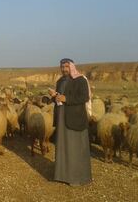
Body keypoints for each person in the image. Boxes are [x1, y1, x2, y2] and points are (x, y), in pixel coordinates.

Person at [48, 58, 92, 186]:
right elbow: (59, 99)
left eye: (66, 67)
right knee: (63, 147)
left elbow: (84, 97)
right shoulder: (60, 81)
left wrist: (66, 98)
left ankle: (78, 178)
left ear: (72, 67)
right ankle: (62, 175)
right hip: (62, 118)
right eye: (62, 67)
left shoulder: (80, 80)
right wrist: (54, 96)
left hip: (75, 118)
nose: (64, 69)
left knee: (75, 147)